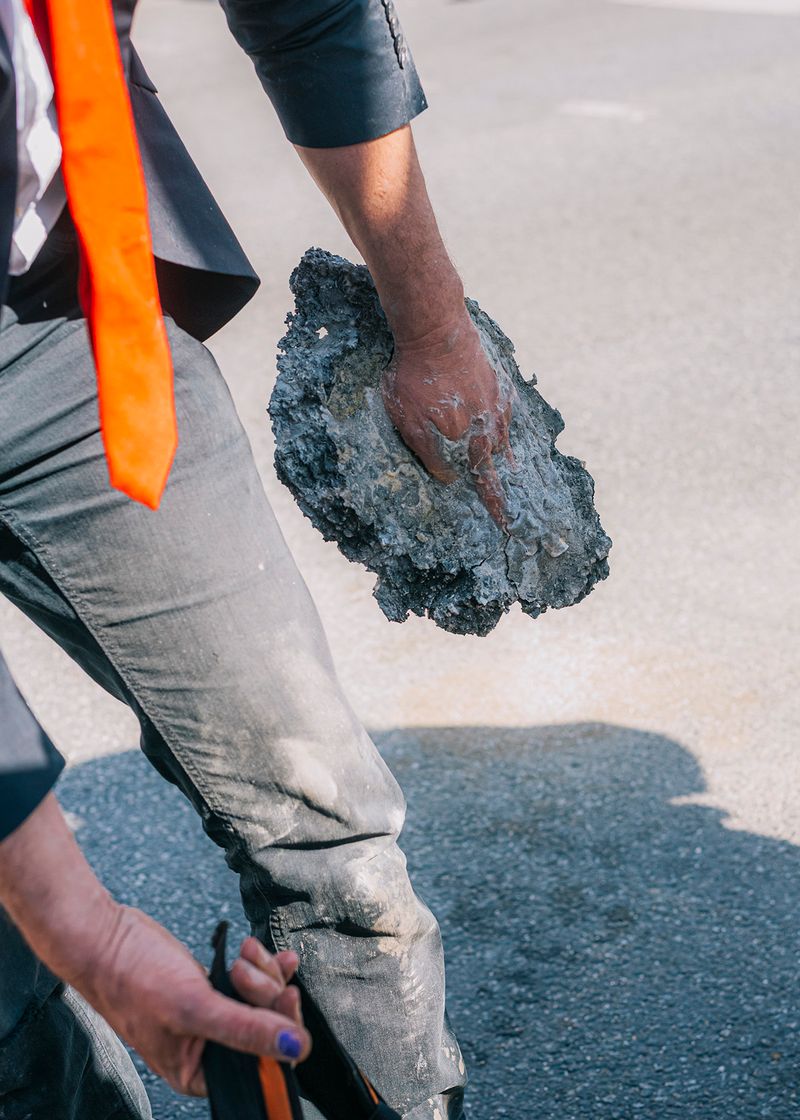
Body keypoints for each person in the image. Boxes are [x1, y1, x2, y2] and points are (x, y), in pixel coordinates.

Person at [0, 0, 512, 1117]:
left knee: (320, 818)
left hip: (68, 313)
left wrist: (431, 325)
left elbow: (311, 10)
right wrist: (77, 922)